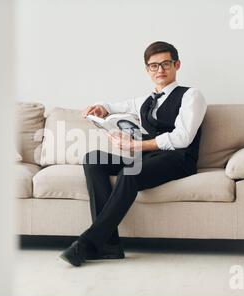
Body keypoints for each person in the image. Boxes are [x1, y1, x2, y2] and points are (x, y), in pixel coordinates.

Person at [60, 41, 208, 267]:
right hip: (148, 158)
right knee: (93, 159)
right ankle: (109, 245)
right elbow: (116, 105)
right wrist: (100, 107)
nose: (160, 70)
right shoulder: (144, 101)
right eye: (153, 66)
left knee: (130, 172)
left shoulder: (191, 96)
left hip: (179, 160)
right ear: (147, 70)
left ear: (177, 65)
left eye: (166, 64)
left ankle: (89, 243)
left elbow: (183, 138)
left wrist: (136, 146)